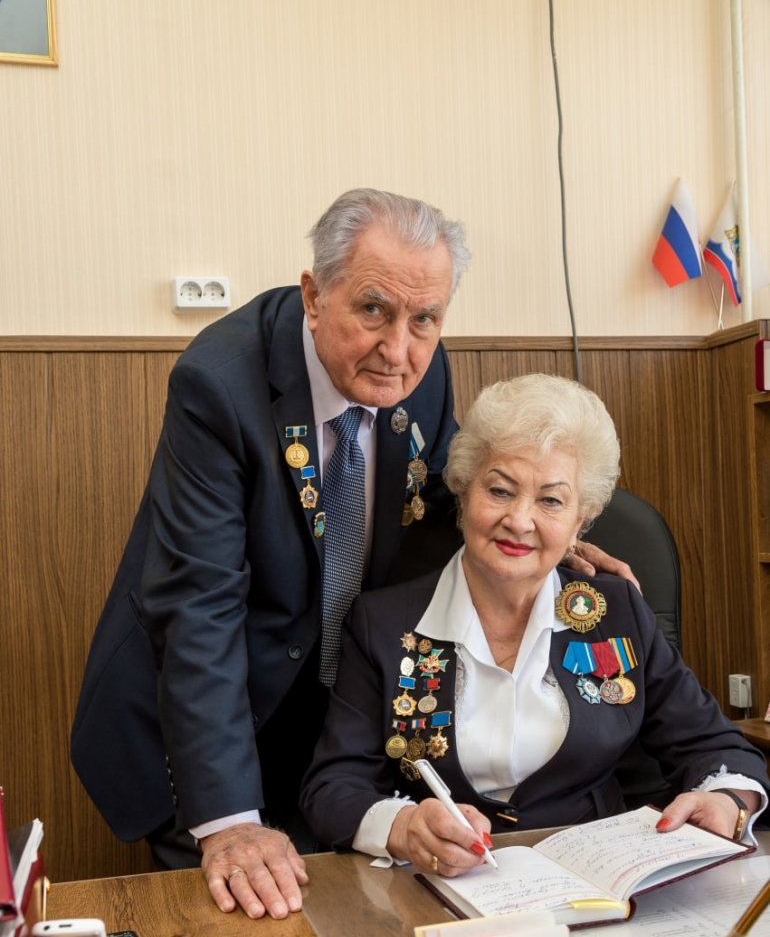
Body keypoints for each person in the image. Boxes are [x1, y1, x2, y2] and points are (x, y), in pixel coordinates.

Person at [70, 190, 632, 921]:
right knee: (240, 925)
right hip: (204, 722)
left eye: (424, 319)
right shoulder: (220, 384)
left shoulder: (423, 369)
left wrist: (543, 539)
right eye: (373, 310)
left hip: (333, 728)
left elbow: (445, 491)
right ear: (314, 296)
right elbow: (198, 605)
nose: (398, 350)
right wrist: (229, 820)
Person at [300, 374, 769, 874]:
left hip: (597, 877)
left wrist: (728, 801)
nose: (520, 520)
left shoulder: (616, 612)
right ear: (463, 493)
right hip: (439, 881)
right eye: (500, 491)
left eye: (551, 501)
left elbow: (716, 747)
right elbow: (332, 787)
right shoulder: (382, 622)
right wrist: (404, 826)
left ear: (580, 519)